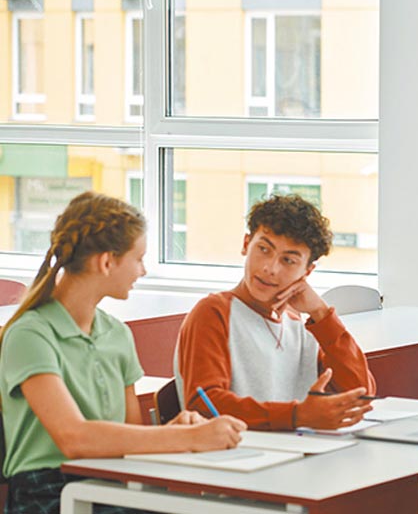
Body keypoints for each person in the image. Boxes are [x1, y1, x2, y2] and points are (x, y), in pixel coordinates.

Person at [0, 192, 245, 514]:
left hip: (110, 483)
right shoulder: (29, 334)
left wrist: (176, 431)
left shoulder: (117, 334)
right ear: (106, 262)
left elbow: (131, 437)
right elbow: (75, 439)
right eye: (139, 258)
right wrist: (190, 439)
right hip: (48, 492)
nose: (142, 270)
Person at [176, 194, 376, 431]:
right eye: (263, 249)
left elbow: (360, 395)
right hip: (238, 456)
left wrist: (322, 313)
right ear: (245, 244)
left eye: (289, 260)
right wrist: (297, 416)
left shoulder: (299, 324)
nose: (269, 268)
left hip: (295, 454)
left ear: (307, 271)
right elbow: (205, 406)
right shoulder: (213, 313)